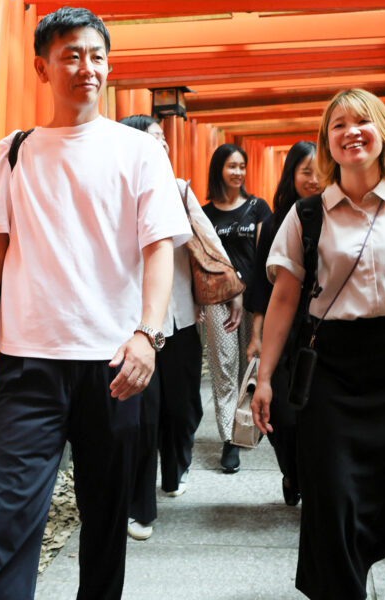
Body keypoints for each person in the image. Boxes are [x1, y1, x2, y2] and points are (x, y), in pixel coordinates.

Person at [0, 7, 192, 600]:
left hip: (115, 366)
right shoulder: (16, 151)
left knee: (104, 523)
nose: (87, 68)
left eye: (97, 56)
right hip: (27, 366)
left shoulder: (138, 152)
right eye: (72, 56)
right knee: (11, 522)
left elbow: (160, 249)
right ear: (43, 67)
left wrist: (147, 335)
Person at [251, 88, 385, 600]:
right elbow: (282, 301)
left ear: (382, 133)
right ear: (328, 141)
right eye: (338, 124)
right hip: (332, 372)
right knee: (334, 499)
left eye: (361, 121)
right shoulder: (307, 216)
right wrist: (263, 379)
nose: (350, 132)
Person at [118, 115, 242, 541]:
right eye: (154, 140)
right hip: (134, 326)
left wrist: (231, 288)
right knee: (142, 415)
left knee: (183, 406)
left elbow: (209, 243)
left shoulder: (180, 190)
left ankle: (175, 469)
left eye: (164, 141)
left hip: (182, 318)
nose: (163, 148)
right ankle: (141, 506)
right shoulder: (116, 192)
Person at [245, 140, 319, 506]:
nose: (315, 179)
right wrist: (256, 336)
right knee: (284, 418)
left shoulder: (335, 217)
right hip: (284, 329)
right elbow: (261, 285)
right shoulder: (274, 224)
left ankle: (314, 478)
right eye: (307, 171)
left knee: (318, 414)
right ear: (291, 174)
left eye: (321, 171)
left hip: (322, 327)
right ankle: (292, 470)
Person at [202, 143, 271, 473]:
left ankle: (250, 424)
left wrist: (246, 291)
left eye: (242, 166)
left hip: (254, 297)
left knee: (253, 365)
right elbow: (201, 260)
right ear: (219, 169)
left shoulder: (258, 208)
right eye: (231, 166)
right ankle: (230, 439)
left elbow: (264, 256)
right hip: (218, 299)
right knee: (224, 369)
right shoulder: (205, 213)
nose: (238, 172)